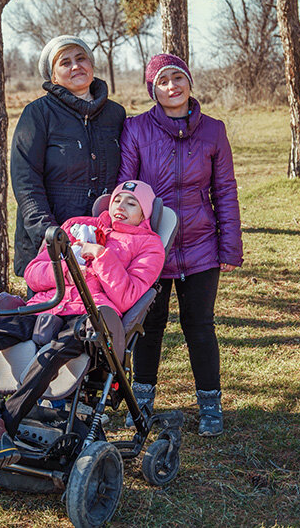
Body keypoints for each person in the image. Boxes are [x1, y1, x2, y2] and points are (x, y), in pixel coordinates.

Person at [0, 181, 166, 491]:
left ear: (144, 212)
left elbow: (126, 297)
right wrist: (67, 269)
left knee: (50, 355)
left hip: (91, 319)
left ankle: (1, 432)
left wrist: (100, 256)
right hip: (45, 306)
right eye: (117, 199)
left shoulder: (149, 245)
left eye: (132, 203)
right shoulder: (74, 227)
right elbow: (33, 274)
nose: (120, 205)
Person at [118, 53, 243, 437]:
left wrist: (229, 245)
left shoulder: (214, 131)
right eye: (163, 81)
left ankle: (210, 405)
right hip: (151, 248)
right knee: (147, 325)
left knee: (200, 327)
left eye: (178, 78)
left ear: (189, 82)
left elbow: (224, 190)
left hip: (201, 245)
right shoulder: (136, 129)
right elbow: (125, 190)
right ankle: (142, 401)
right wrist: (126, 245)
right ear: (153, 89)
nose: (172, 87)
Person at [10, 35, 126, 279]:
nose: (76, 66)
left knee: (101, 314)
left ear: (92, 66)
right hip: (52, 237)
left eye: (81, 58)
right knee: (50, 314)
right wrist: (48, 235)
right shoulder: (38, 114)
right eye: (65, 62)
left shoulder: (115, 114)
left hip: (102, 239)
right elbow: (25, 181)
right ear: (53, 77)